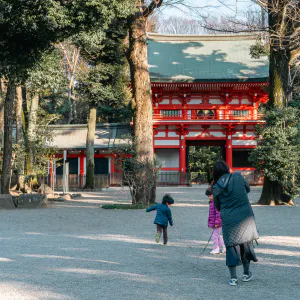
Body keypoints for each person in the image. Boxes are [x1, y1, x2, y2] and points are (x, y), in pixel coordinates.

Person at [212, 160, 259, 286]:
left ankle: (233, 278)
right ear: (227, 169)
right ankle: (246, 274)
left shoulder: (216, 187)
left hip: (229, 219)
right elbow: (247, 189)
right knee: (246, 243)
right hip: (245, 215)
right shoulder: (238, 176)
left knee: (231, 246)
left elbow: (217, 206)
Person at [205, 187, 225, 254]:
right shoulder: (212, 202)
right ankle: (224, 247)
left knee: (214, 236)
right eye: (208, 196)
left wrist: (217, 222)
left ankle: (216, 248)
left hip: (217, 222)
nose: (209, 197)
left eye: (210, 196)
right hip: (214, 222)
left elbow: (218, 213)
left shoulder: (216, 203)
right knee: (217, 235)